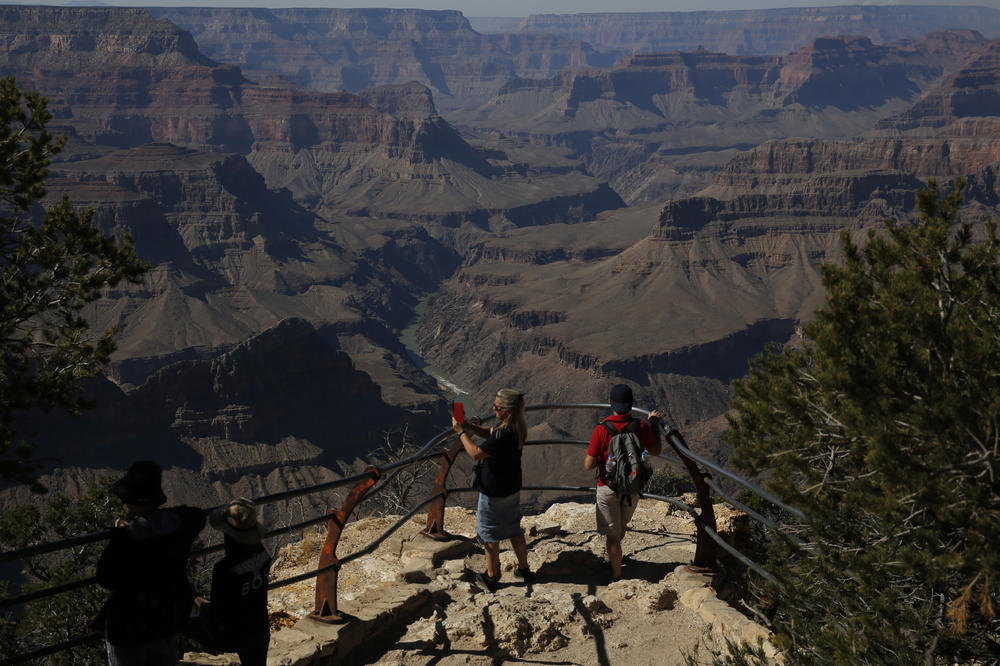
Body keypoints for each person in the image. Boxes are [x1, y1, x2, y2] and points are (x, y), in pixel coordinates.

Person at [95, 460, 206, 666]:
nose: (122, 502)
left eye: (125, 498)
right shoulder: (179, 526)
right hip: (167, 617)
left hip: (129, 626)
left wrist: (123, 533)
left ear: (131, 501)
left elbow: (104, 578)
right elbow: (198, 515)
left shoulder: (125, 539)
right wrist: (159, 518)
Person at [452, 388, 531, 592]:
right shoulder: (516, 426)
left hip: (494, 491)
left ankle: (492, 576)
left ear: (506, 410)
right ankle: (524, 569)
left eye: (496, 407)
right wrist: (471, 427)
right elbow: (492, 434)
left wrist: (461, 432)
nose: (492, 408)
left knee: (489, 534)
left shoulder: (505, 432)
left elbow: (476, 453)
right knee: (514, 528)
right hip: (511, 487)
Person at [584, 384, 662, 582]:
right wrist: (654, 426)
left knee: (612, 535)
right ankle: (615, 556)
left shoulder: (601, 429)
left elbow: (589, 464)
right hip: (632, 487)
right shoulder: (641, 426)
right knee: (621, 526)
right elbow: (655, 451)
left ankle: (616, 575)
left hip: (607, 487)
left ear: (610, 403)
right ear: (631, 404)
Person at [187, 498, 272, 666]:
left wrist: (196, 599)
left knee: (180, 622)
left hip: (234, 636)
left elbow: (218, 615)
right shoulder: (264, 555)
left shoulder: (224, 569)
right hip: (260, 630)